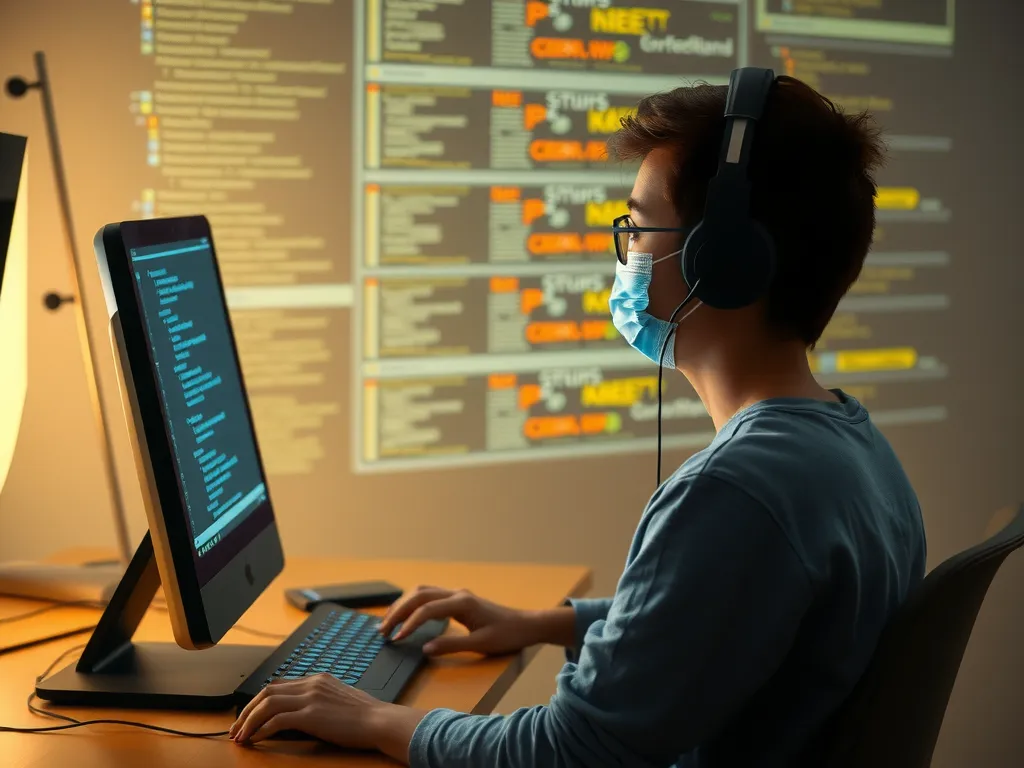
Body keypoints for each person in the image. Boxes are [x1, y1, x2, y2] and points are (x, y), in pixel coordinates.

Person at [229, 74, 928, 767]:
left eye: (638, 224)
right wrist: (542, 622)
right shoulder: (851, 448)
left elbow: (572, 752)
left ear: (725, 263)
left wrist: (384, 722)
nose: (624, 253)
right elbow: (713, 618)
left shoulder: (737, 490)